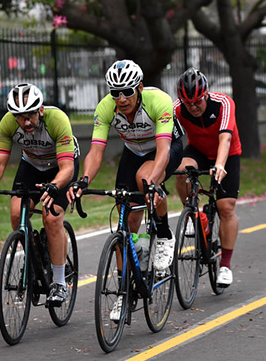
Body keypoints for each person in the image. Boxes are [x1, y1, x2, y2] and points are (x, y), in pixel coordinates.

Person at [67, 59, 184, 318]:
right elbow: (96, 152)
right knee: (124, 217)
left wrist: (154, 181)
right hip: (133, 150)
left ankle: (163, 234)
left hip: (165, 147)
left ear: (140, 87)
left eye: (127, 91)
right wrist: (83, 180)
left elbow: (163, 149)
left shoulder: (159, 102)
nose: (121, 98)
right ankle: (124, 290)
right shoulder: (105, 108)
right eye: (115, 93)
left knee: (146, 179)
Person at [0, 83, 79, 304]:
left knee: (51, 217)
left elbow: (67, 168)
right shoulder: (8, 123)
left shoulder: (57, 120)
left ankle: (59, 283)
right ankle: (37, 254)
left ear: (40, 110)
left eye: (30, 115)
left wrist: (54, 185)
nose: (26, 122)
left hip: (61, 166)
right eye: (20, 117)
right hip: (32, 165)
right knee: (16, 215)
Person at [173, 67, 241, 287]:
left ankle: (225, 265)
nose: (192, 107)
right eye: (187, 103)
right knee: (181, 171)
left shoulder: (224, 103)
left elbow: (225, 140)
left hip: (227, 153)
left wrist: (220, 165)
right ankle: (192, 212)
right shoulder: (177, 109)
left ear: (206, 94)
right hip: (198, 151)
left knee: (226, 207)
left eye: (197, 101)